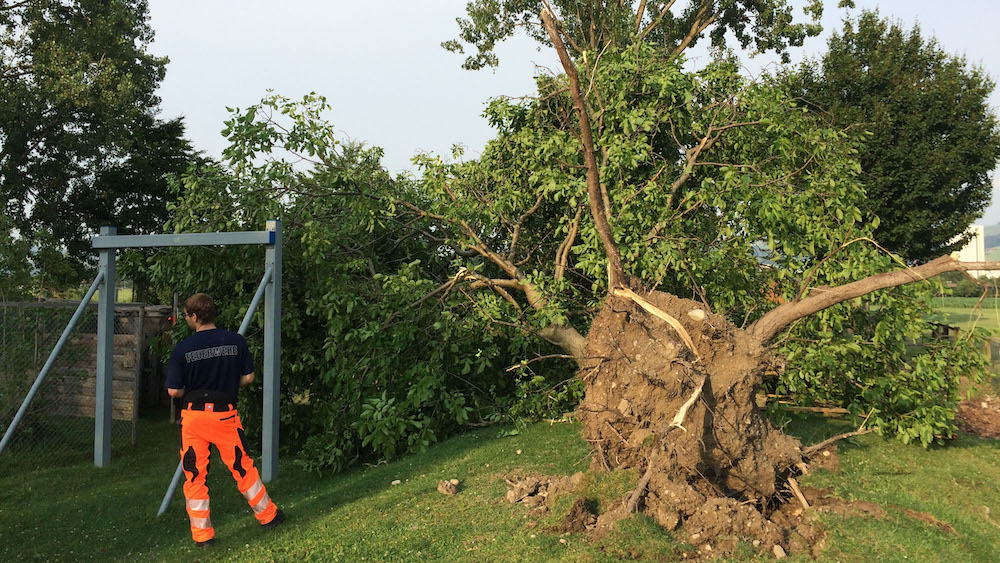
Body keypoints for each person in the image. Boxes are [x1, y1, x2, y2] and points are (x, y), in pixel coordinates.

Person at [166, 293, 284, 547]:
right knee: (242, 467)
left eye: (187, 315)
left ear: (194, 317)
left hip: (194, 419)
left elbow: (173, 391)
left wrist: (192, 390)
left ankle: (203, 536)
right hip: (225, 416)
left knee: (195, 474)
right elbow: (248, 378)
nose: (187, 319)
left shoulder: (182, 349)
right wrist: (229, 383)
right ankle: (269, 517)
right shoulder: (236, 341)